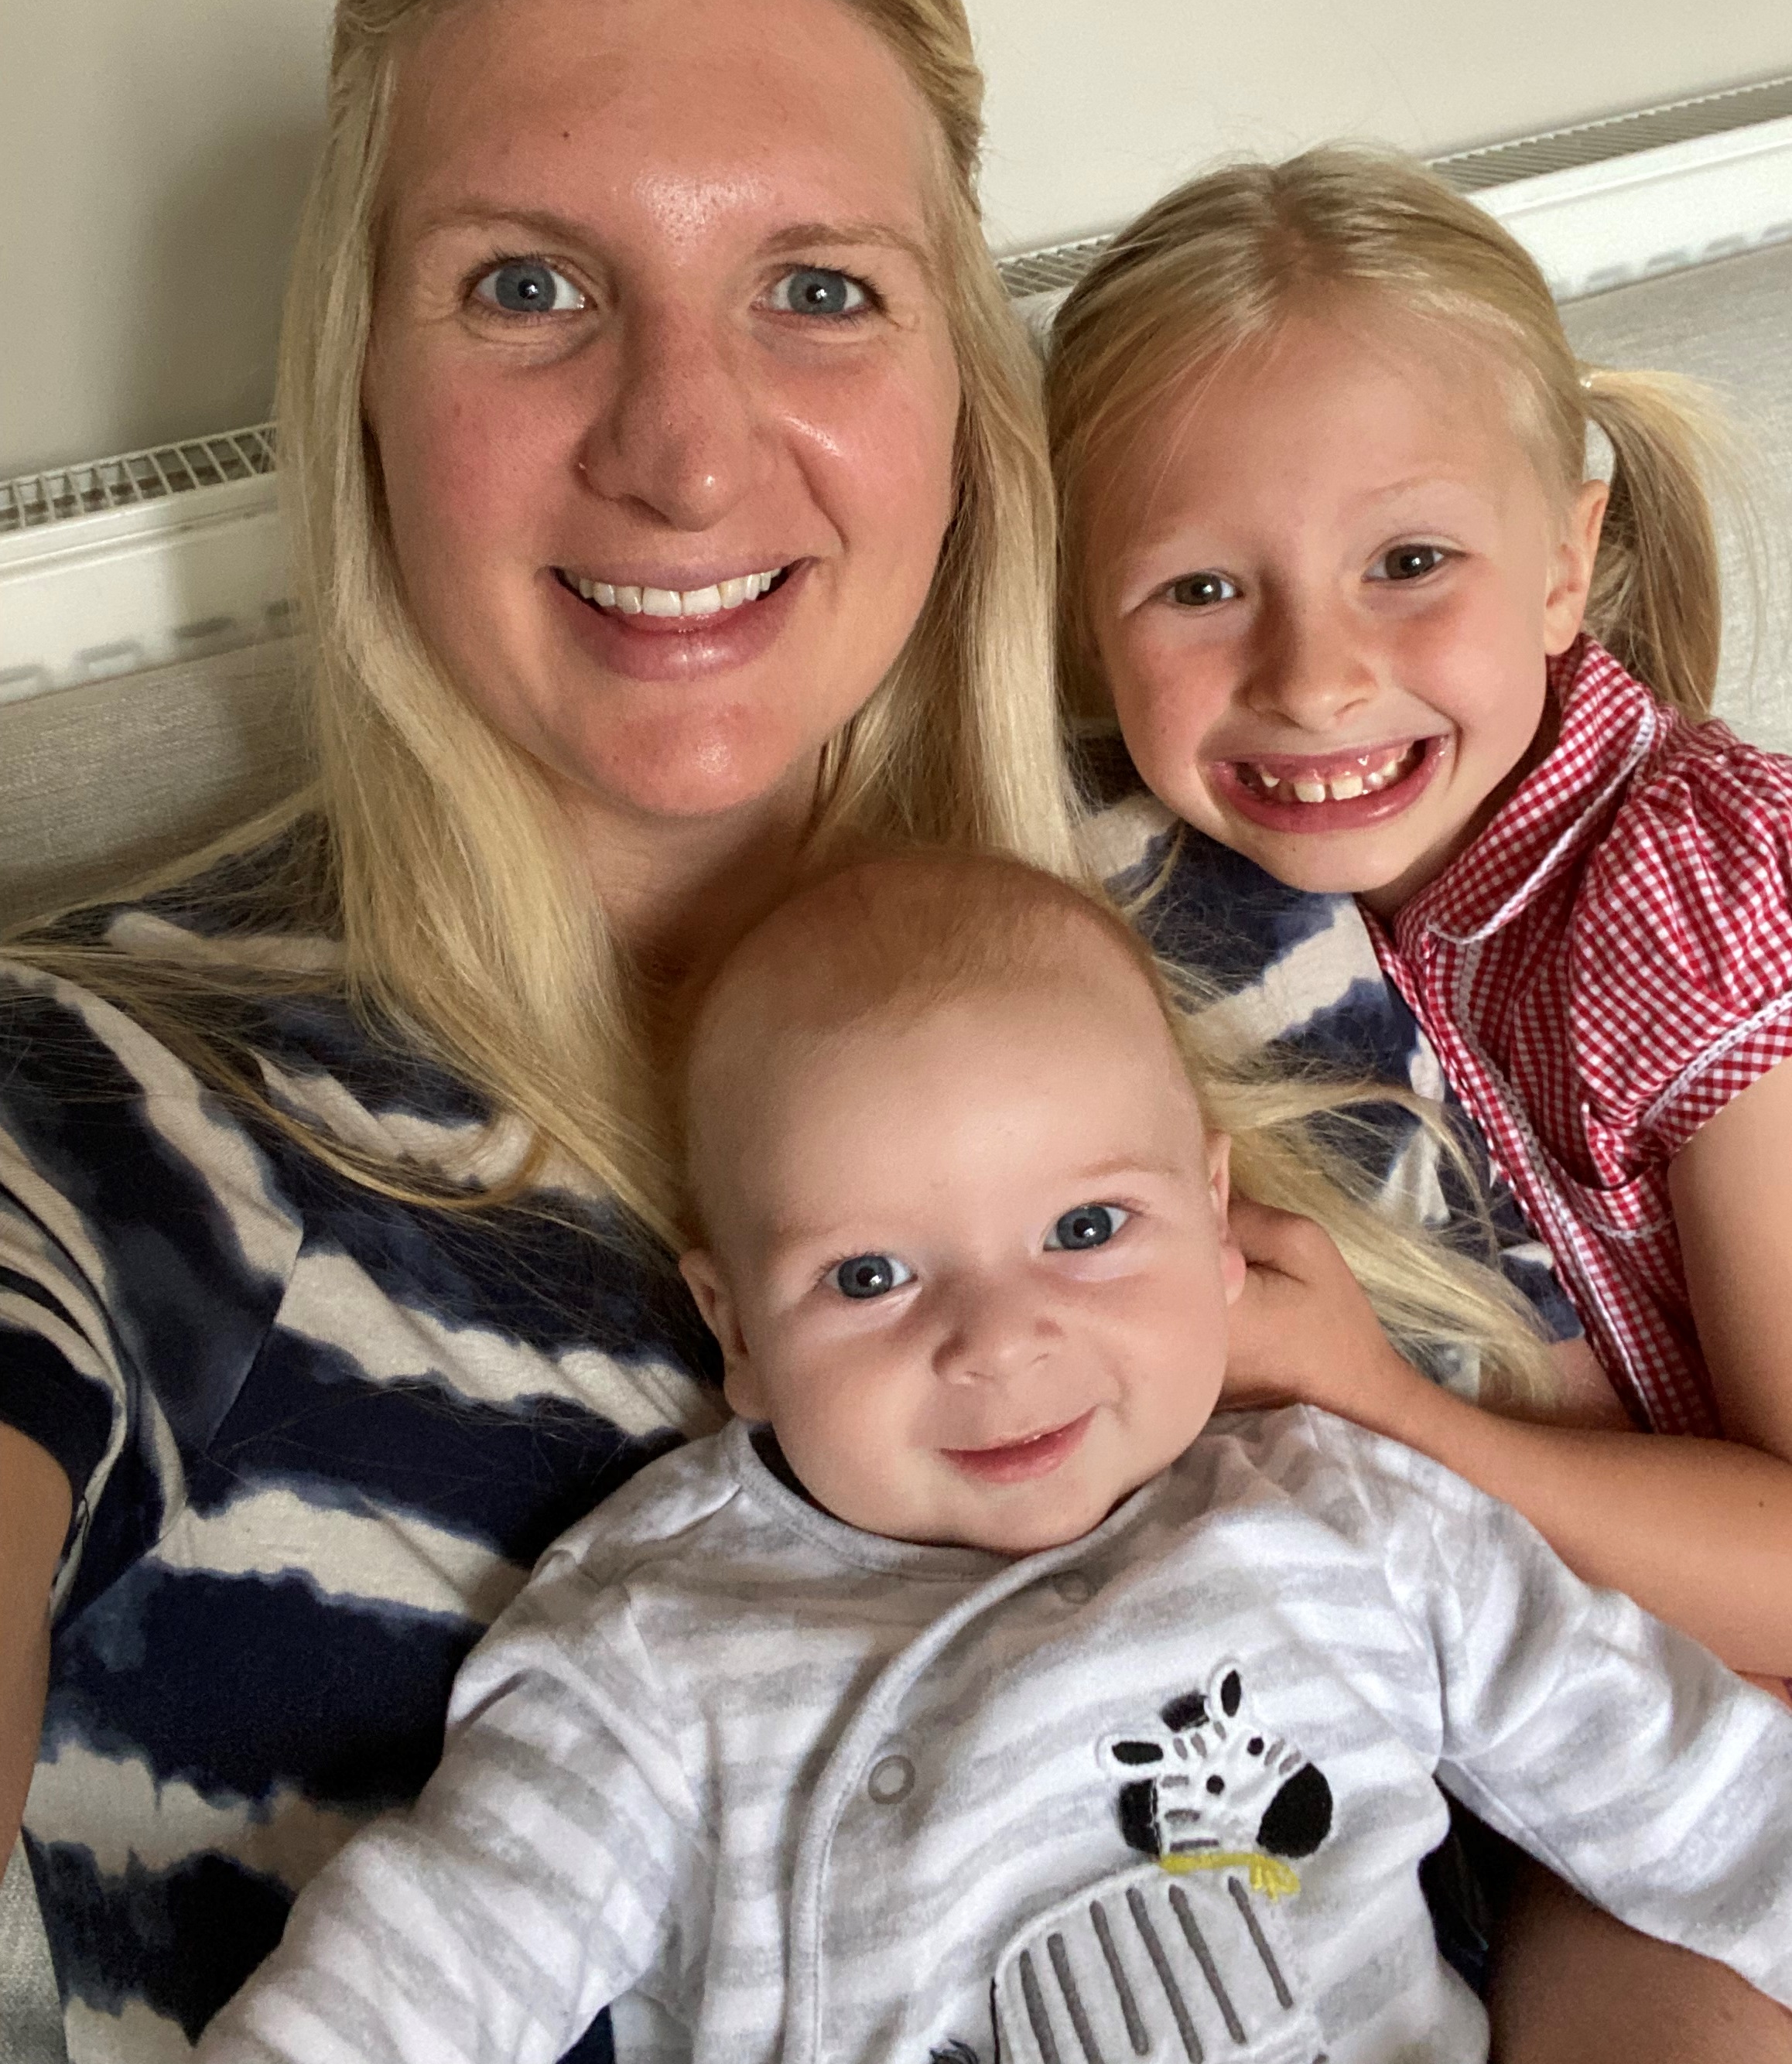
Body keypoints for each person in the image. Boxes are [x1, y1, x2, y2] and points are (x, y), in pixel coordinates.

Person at [0, 0, 1766, 2063]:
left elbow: (1627, 1780)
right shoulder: (105, 1116)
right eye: (525, 286)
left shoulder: (1231, 894)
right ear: (356, 380)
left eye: (815, 290)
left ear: (959, 394)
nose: (686, 447)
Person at [193, 853, 1792, 2064]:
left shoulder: (1345, 1513)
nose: (997, 1340)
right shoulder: (661, 1640)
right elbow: (439, 1952)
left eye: (1088, 1229)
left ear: (1216, 1225)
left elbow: (1687, 1776)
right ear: (732, 1324)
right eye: (872, 1276)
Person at [1044, 145, 1792, 1697]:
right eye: (1197, 588)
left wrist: (1385, 1403)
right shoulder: (1184, 917)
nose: (1312, 676)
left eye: (1408, 561)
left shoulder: (1684, 895)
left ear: (1562, 566)